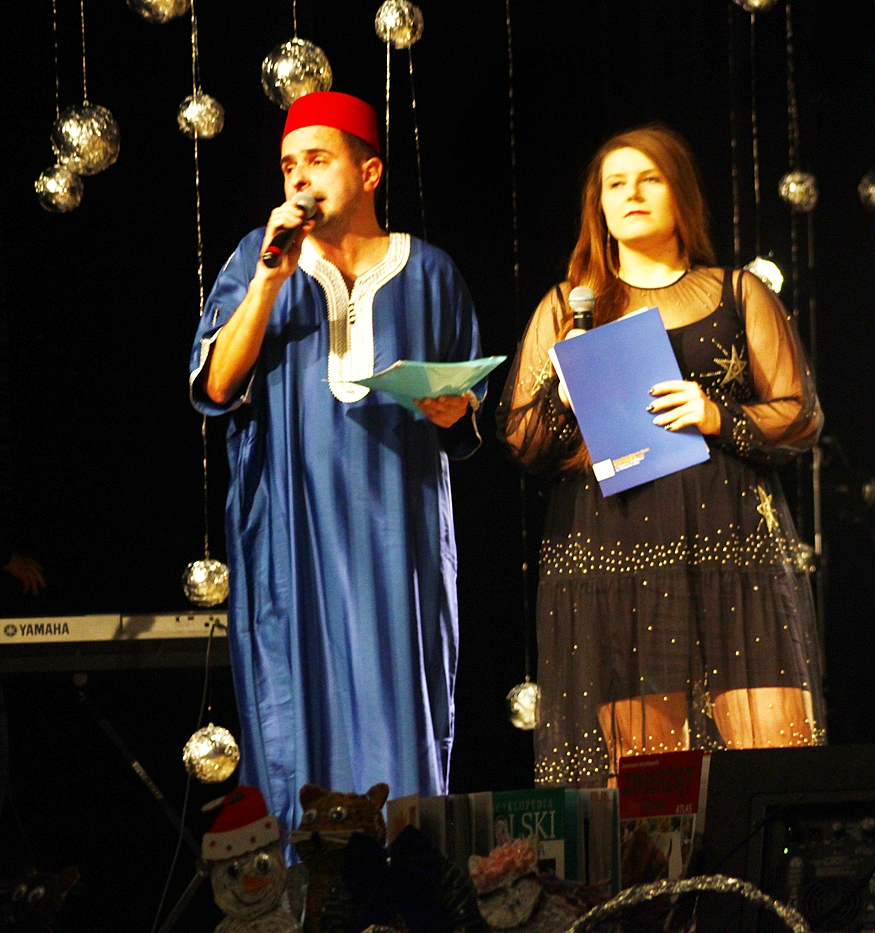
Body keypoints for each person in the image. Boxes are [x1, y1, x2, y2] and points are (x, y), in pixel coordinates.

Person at [190, 91, 484, 827]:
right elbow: (217, 384)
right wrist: (270, 278)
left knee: (402, 728)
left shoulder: (431, 273)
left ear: (370, 171)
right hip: (292, 537)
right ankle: (307, 883)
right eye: (288, 164)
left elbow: (469, 403)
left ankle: (406, 874)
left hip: (399, 540)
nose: (299, 178)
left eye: (318, 160)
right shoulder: (257, 260)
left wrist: (457, 409)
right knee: (299, 731)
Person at [498, 125, 825, 787]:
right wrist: (562, 397)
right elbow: (521, 440)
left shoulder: (738, 293)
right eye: (615, 184)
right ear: (598, 206)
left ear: (682, 196)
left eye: (649, 178)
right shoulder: (567, 308)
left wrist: (717, 414)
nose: (632, 194)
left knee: (775, 769)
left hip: (733, 553)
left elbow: (799, 414)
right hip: (617, 559)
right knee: (652, 793)